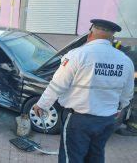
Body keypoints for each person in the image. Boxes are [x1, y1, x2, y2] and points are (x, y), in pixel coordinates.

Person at [33, 19, 135, 163]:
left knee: (72, 158)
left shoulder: (77, 55)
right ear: (112, 38)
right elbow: (127, 94)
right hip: (107, 120)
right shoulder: (125, 61)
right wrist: (119, 108)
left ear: (90, 34)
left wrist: (42, 104)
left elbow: (57, 85)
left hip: (78, 121)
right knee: (96, 156)